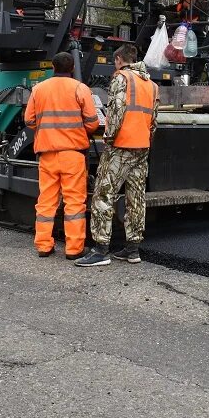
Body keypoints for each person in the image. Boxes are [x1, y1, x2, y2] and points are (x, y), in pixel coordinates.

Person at [77, 45, 159, 267]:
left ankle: (101, 250)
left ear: (119, 59)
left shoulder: (121, 78)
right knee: (136, 198)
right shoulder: (151, 85)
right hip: (142, 147)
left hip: (121, 146)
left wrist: (109, 138)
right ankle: (132, 250)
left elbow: (116, 111)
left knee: (104, 195)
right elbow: (153, 121)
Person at [24, 52, 99, 259]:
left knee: (46, 201)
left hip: (47, 154)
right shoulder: (79, 88)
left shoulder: (38, 89)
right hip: (72, 155)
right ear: (72, 68)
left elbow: (29, 121)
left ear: (52, 68)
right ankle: (74, 249)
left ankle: (44, 246)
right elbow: (93, 122)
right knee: (74, 201)